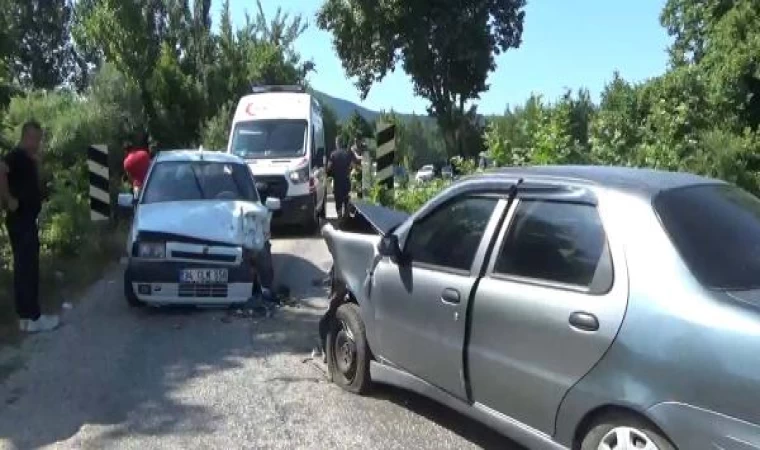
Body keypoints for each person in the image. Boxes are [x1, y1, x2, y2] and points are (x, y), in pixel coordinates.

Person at [0, 120, 60, 332]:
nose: (37, 142)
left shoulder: (28, 158)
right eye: (34, 138)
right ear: (25, 136)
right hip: (20, 219)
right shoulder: (15, 155)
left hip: (26, 218)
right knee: (28, 268)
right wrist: (8, 199)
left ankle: (25, 318)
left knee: (25, 268)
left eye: (39, 138)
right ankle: (33, 317)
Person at [327, 136, 360, 222]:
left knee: (338, 201)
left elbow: (329, 168)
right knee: (346, 199)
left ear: (337, 143)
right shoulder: (348, 153)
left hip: (337, 182)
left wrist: (328, 174)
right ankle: (346, 216)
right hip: (346, 180)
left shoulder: (333, 154)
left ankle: (339, 218)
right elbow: (354, 166)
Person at [123, 130, 151, 198]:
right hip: (150, 184)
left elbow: (130, 178)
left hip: (138, 187)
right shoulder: (144, 153)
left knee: (137, 205)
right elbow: (150, 166)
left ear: (125, 151)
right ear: (133, 148)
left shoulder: (126, 162)